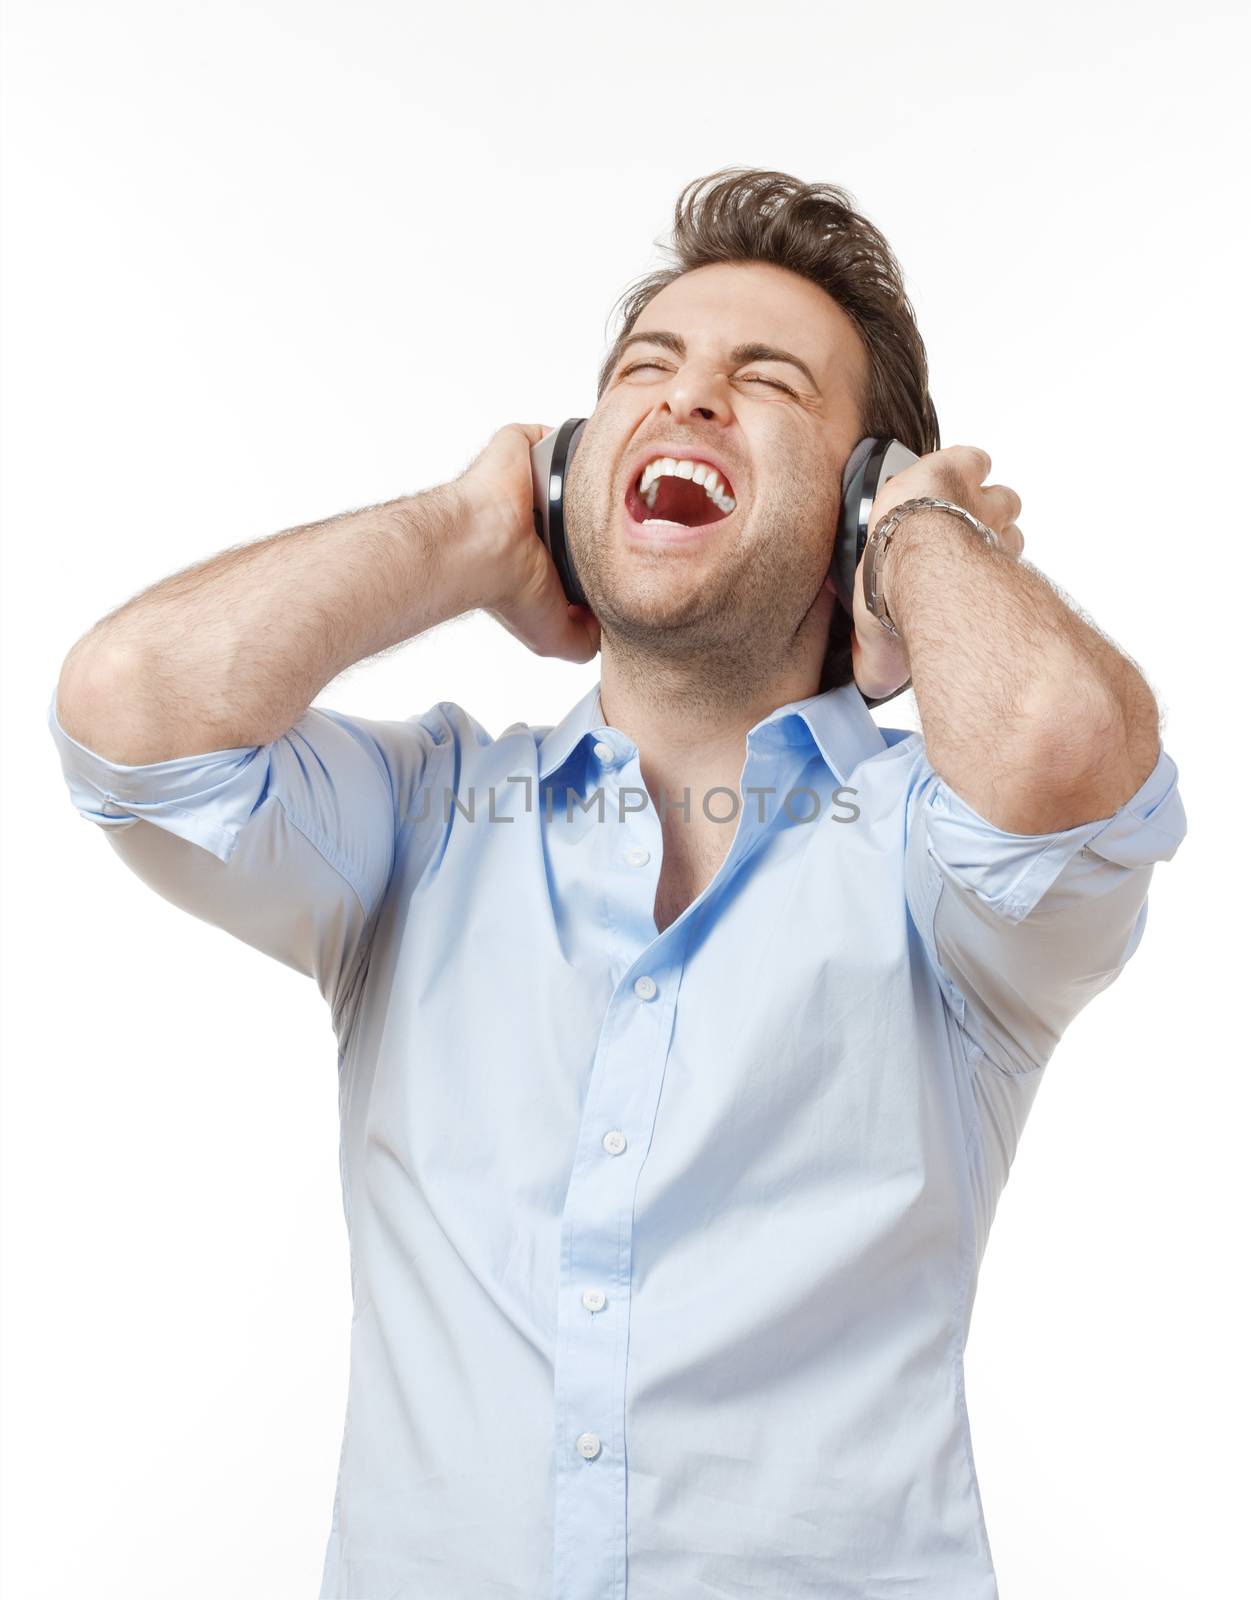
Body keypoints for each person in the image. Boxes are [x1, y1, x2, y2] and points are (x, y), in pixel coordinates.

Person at [47, 167, 1186, 1600]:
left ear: (850, 501)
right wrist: (470, 533)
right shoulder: (424, 816)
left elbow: (1063, 750)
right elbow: (129, 708)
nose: (689, 399)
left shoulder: (932, 858)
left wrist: (916, 535)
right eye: (648, 370)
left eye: (764, 380)